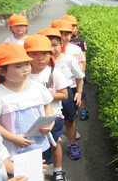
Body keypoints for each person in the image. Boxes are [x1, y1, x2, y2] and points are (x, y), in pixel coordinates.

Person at [0, 43, 54, 163]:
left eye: (27, 64)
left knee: (41, 169)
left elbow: (46, 105)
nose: (26, 69)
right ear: (0, 71)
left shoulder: (36, 86)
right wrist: (13, 138)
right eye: (18, 66)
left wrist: (50, 123)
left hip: (40, 143)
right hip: (15, 147)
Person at [24, 34, 69, 181]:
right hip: (30, 119)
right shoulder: (24, 74)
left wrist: (46, 95)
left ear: (50, 54)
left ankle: (58, 170)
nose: (40, 58)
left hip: (53, 116)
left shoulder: (53, 73)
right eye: (34, 54)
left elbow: (64, 95)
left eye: (44, 53)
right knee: (32, 149)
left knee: (55, 145)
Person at [39, 27, 85, 160]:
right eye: (48, 46)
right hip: (48, 99)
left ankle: (72, 144)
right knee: (50, 122)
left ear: (61, 44)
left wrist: (79, 92)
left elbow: (79, 77)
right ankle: (52, 146)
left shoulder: (69, 59)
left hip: (67, 94)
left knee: (70, 120)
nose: (52, 49)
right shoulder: (41, 63)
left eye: (55, 45)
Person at [60, 14, 89, 121]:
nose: (71, 28)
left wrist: (82, 72)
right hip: (66, 80)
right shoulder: (58, 46)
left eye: (73, 26)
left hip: (78, 75)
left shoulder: (80, 42)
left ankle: (83, 110)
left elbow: (83, 58)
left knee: (82, 93)